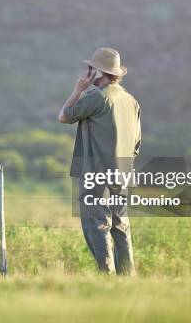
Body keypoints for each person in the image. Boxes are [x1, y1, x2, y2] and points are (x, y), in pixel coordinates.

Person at [58, 47, 141, 275]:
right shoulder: (131, 100)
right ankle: (128, 277)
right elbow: (136, 143)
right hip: (123, 174)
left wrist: (78, 89)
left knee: (97, 225)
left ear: (98, 71)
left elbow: (64, 116)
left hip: (97, 174)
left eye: (91, 69)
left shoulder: (95, 96)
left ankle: (107, 277)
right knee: (120, 226)